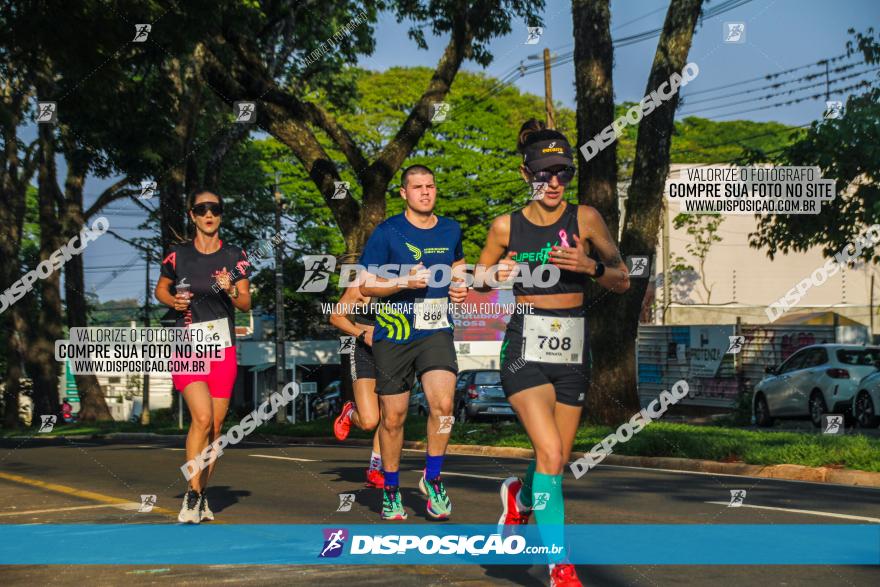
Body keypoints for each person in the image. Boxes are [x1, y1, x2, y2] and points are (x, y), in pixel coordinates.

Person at [477, 120, 629, 587]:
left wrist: (592, 265)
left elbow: (622, 278)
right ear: (527, 174)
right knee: (547, 450)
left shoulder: (585, 220)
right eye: (545, 173)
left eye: (562, 172)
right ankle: (558, 563)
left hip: (574, 347)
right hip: (524, 344)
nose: (555, 182)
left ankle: (521, 498)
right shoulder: (507, 226)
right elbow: (475, 280)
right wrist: (493, 275)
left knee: (556, 460)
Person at [359, 164, 468, 521]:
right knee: (393, 417)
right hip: (395, 331)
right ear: (404, 193)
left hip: (436, 329)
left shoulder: (451, 229)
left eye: (431, 186)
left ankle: (432, 479)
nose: (425, 192)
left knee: (445, 406)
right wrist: (402, 282)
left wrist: (460, 285)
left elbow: (459, 266)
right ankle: (391, 489)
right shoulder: (387, 231)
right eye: (417, 187)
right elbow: (365, 286)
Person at [155, 189, 252, 524]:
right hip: (187, 346)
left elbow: (245, 304)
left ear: (220, 214)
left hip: (222, 349)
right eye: (202, 209)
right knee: (201, 417)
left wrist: (230, 289)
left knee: (216, 428)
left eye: (215, 209)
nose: (209, 214)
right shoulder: (177, 255)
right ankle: (192, 494)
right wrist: (173, 303)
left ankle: (201, 493)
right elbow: (161, 288)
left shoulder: (235, 255)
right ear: (192, 215)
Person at [330, 285, 385, 488]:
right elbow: (336, 317)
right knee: (370, 421)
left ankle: (375, 469)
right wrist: (361, 334)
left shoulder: (409, 283)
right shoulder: (363, 286)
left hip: (396, 355)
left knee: (390, 416)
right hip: (366, 352)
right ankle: (350, 412)